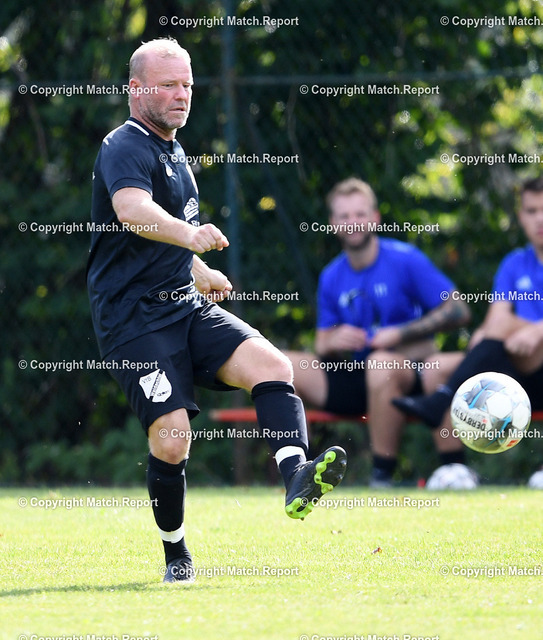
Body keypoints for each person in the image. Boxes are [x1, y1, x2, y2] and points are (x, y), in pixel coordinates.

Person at [86, 38, 347, 583]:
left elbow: (158, 237)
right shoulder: (124, 144)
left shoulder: (175, 152)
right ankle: (176, 554)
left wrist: (196, 269)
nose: (182, 95)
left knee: (273, 366)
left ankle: (296, 476)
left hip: (182, 306)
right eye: (168, 85)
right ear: (136, 89)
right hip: (132, 319)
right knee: (172, 435)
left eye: (187, 85)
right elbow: (132, 211)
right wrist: (191, 238)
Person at [286, 178, 472, 487]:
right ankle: (294, 471)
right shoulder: (331, 275)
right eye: (344, 216)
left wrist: (399, 334)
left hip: (406, 374)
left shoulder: (405, 258)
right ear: (333, 223)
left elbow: (458, 309)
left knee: (380, 364)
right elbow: (321, 342)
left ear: (375, 218)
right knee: (282, 365)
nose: (352, 222)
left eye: (360, 214)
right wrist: (335, 340)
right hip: (355, 374)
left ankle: (381, 476)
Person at [393, 176, 543, 462]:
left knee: (499, 328)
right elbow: (496, 318)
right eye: (532, 210)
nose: (540, 219)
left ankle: (440, 399)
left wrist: (538, 331)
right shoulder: (514, 263)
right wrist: (487, 337)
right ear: (521, 215)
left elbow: (501, 323)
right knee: (435, 368)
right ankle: (454, 469)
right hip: (517, 362)